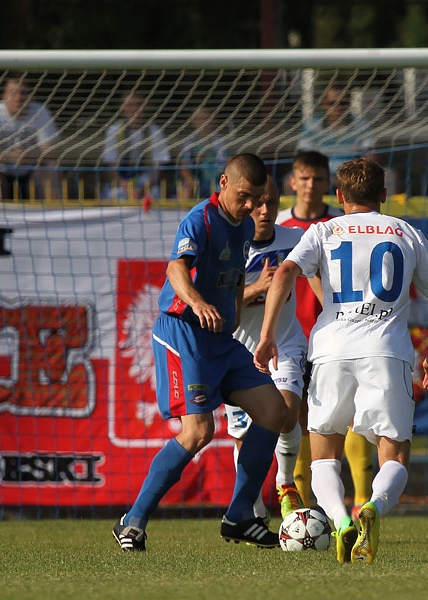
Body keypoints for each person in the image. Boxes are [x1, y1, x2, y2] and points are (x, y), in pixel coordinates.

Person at [255, 158, 428, 564]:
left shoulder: (323, 230)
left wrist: (266, 338)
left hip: (330, 349)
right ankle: (371, 508)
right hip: (386, 350)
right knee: (395, 454)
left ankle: (339, 520)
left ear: (339, 196)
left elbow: (282, 275)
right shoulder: (405, 232)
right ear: (384, 195)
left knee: (323, 453)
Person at [113, 153, 287, 552]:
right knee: (199, 432)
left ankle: (240, 515)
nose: (252, 207)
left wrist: (241, 327)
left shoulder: (243, 226)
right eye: (245, 196)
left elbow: (234, 282)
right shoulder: (200, 219)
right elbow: (176, 269)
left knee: (276, 412)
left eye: (259, 199)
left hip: (222, 341)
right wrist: (196, 303)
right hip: (183, 333)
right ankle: (133, 521)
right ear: (223, 183)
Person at [277, 150, 375, 516]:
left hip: (335, 334)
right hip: (293, 335)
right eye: (304, 178)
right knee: (299, 418)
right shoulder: (279, 226)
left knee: (352, 415)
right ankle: (301, 510)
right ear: (293, 182)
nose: (310, 185)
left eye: (318, 179)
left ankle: (361, 500)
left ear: (329, 186)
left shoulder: (340, 226)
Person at [226, 176, 306, 522]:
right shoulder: (228, 247)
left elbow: (320, 279)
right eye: (257, 203)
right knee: (246, 433)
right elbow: (216, 306)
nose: (263, 210)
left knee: (286, 413)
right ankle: (253, 507)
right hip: (239, 351)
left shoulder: (296, 239)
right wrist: (256, 287)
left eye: (270, 203)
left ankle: (285, 484)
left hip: (284, 344)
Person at [0, 73, 61, 201]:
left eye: (23, 93)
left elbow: (53, 150)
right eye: (13, 93)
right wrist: (9, 156)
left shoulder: (40, 111)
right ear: (4, 96)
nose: (18, 98)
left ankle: (53, 216)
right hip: (1, 173)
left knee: (50, 167)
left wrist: (28, 154)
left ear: (30, 97)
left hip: (32, 173)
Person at [297, 85, 378, 185]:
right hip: (320, 172)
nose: (338, 107)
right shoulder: (312, 126)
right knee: (289, 180)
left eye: (343, 103)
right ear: (324, 104)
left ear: (349, 104)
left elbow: (370, 155)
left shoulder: (361, 125)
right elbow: (304, 156)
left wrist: (355, 173)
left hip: (354, 173)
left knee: (389, 176)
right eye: (332, 103)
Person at [101, 92, 173, 201]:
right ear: (123, 107)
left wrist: (146, 187)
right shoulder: (114, 131)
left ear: (145, 106)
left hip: (147, 181)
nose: (134, 109)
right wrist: (125, 185)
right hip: (121, 182)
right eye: (130, 105)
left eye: (138, 104)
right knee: (113, 196)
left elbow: (160, 165)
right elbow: (111, 165)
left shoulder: (155, 131)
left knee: (154, 196)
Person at [177, 106, 228, 201]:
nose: (202, 123)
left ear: (212, 120)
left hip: (217, 179)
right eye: (198, 119)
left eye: (205, 118)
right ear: (193, 121)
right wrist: (191, 179)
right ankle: (186, 212)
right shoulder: (189, 142)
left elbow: (228, 163)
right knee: (188, 185)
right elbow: (183, 166)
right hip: (197, 179)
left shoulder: (220, 142)